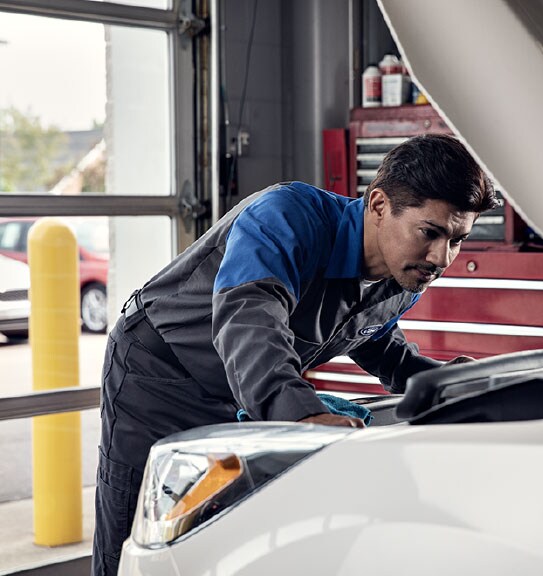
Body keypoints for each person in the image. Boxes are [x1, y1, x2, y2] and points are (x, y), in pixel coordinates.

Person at [91, 133, 497, 575]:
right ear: (379, 206)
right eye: (431, 232)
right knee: (138, 534)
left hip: (239, 386)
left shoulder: (404, 272)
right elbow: (248, 319)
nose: (442, 257)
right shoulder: (284, 218)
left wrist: (437, 383)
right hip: (156, 372)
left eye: (458, 239)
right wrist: (303, 416)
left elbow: (376, 340)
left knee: (212, 537)